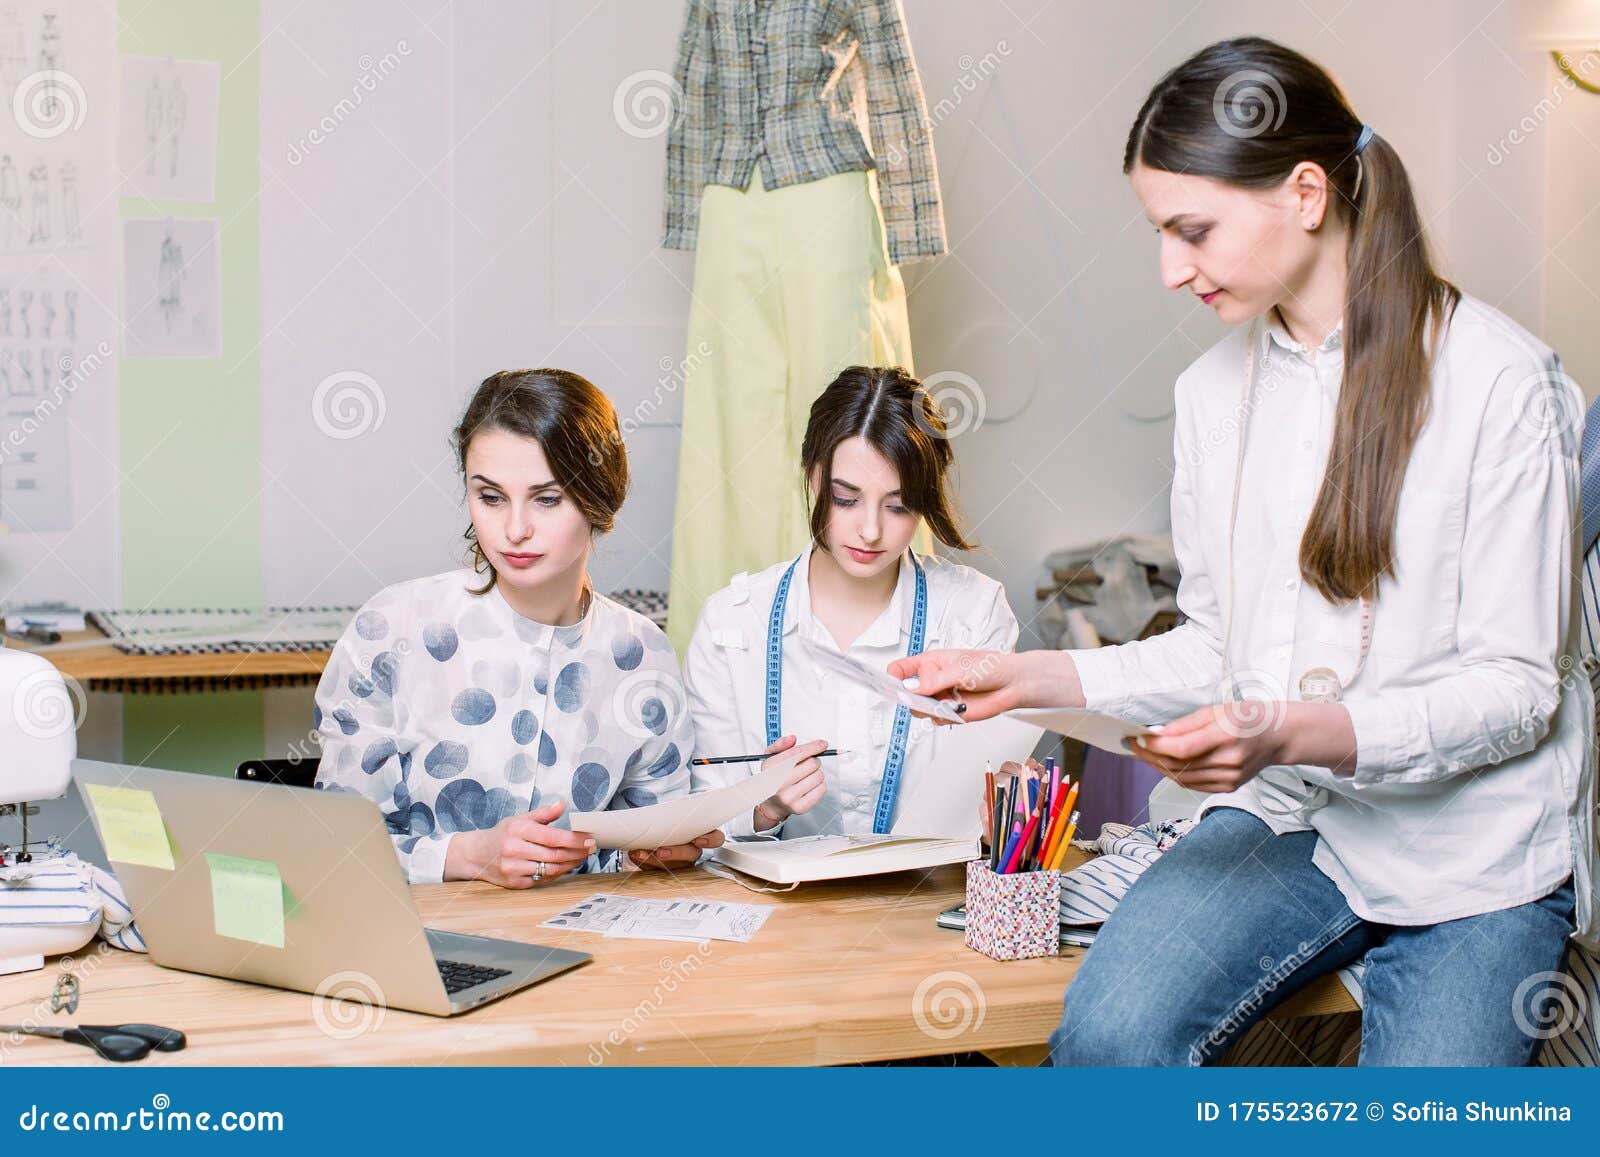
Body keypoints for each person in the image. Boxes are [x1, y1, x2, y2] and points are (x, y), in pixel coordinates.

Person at [893, 37, 1596, 1066]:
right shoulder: (1211, 396)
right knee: (1107, 1040)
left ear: (1305, 192)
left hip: (1475, 853)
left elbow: (1514, 690)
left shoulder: (1500, 381)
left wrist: (1289, 727)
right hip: (1297, 821)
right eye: (1160, 233)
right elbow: (1214, 647)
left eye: (1193, 230)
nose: (1171, 270)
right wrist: (1023, 675)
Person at [314, 369, 779, 886]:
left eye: (547, 498)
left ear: (602, 497)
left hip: (591, 949)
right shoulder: (391, 631)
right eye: (490, 497)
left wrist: (654, 856)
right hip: (417, 949)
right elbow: (333, 850)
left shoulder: (642, 654)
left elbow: (640, 856)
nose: (515, 530)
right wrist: (468, 857)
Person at [675, 365, 1017, 853]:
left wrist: (1001, 811)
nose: (871, 531)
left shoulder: (974, 611)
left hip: (923, 905)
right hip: (774, 914)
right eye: (846, 499)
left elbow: (981, 796)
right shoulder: (732, 623)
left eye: (898, 507)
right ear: (812, 475)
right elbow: (699, 814)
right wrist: (764, 809)